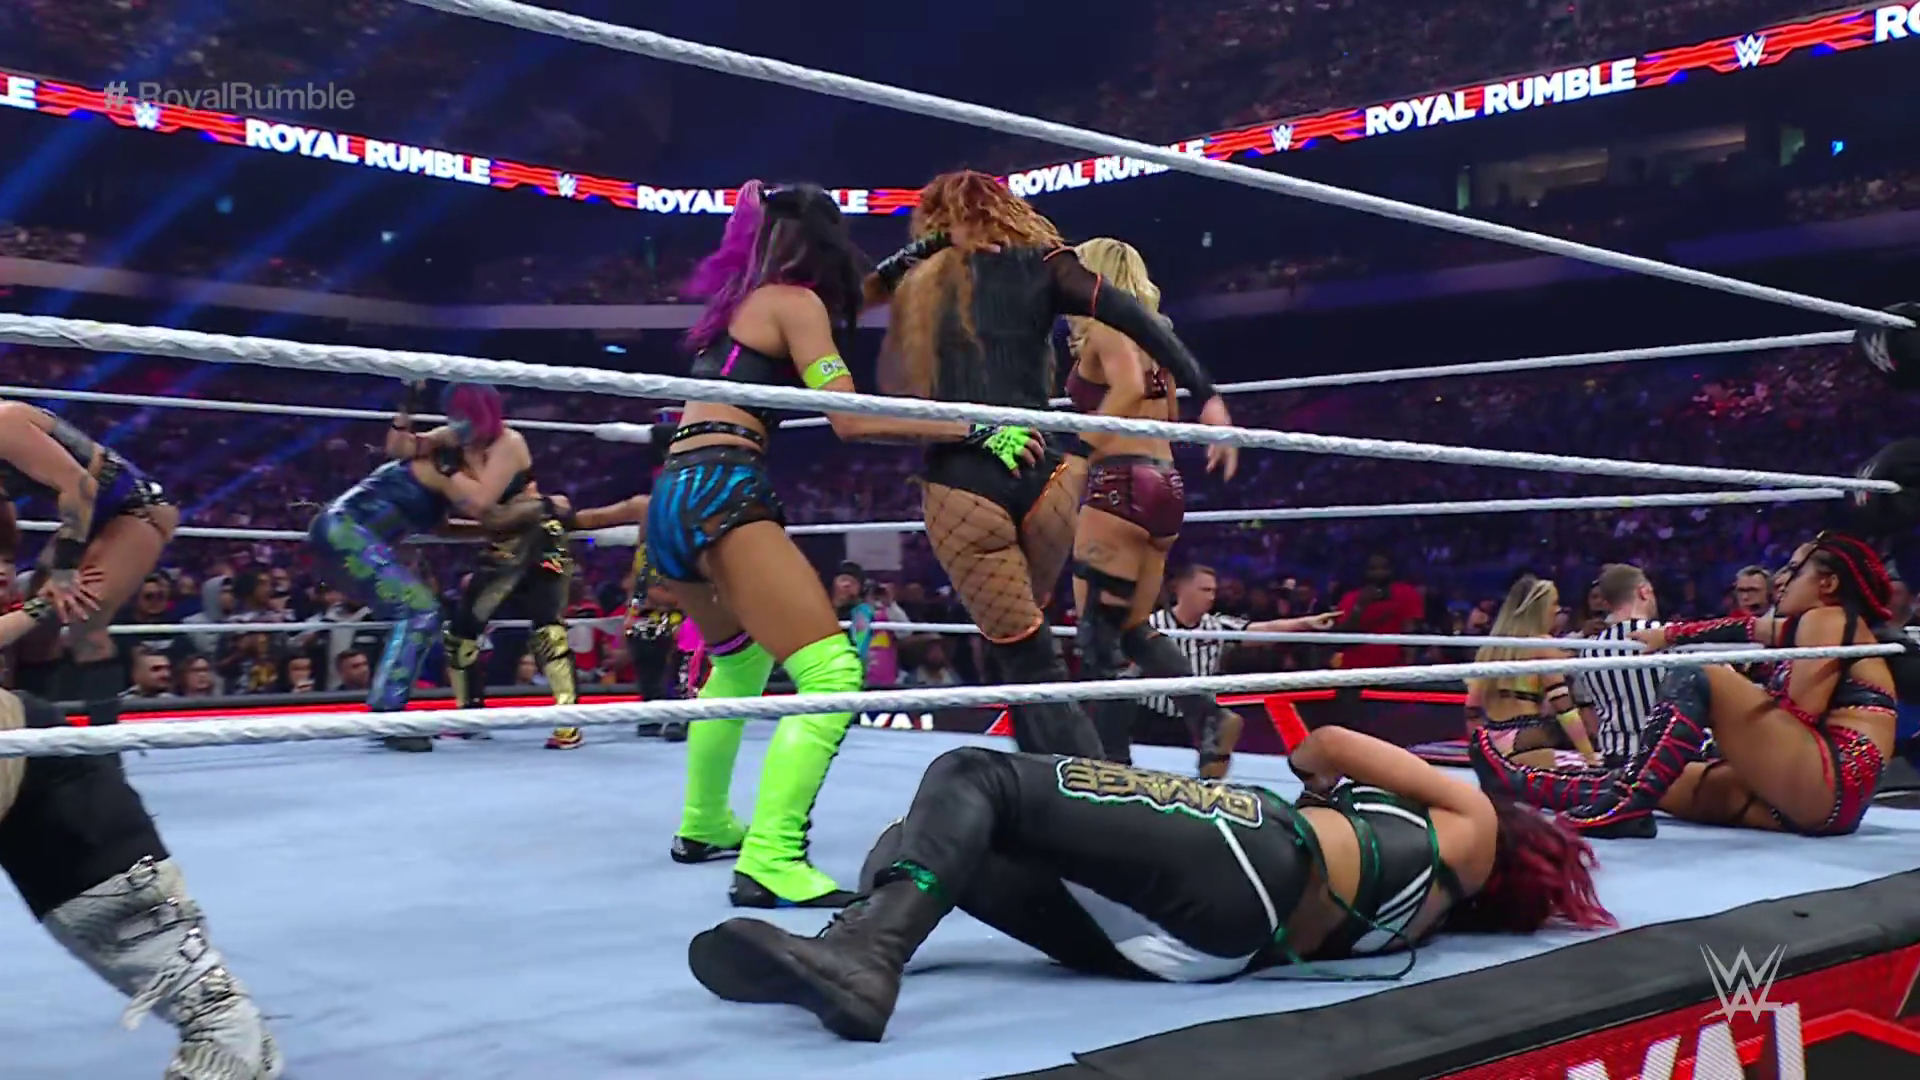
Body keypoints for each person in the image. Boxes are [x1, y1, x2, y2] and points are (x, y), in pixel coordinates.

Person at [688, 726, 1614, 1042]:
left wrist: (1319, 782)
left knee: (974, 775)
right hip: (1205, 952)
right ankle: (861, 943)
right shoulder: (1433, 909)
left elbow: (1324, 745)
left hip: (1257, 854)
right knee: (919, 841)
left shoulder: (1471, 822)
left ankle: (867, 952)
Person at [646, 181, 1029, 907]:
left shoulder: (741, 301)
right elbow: (850, 418)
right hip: (724, 486)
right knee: (830, 671)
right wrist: (971, 426)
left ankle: (704, 822)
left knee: (738, 660)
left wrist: (930, 247)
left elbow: (860, 292)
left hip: (672, 494)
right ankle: (771, 856)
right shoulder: (794, 303)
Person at [875, 172, 1227, 761]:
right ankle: (1195, 721)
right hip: (1109, 479)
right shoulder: (1070, 279)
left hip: (1043, 478)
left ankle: (1101, 775)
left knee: (1065, 646)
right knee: (1109, 628)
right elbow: (1145, 356)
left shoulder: (933, 275)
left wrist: (1084, 445)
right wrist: (1206, 390)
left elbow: (862, 295)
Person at [0, 588, 281, 1078]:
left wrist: (41, 606)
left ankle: (230, 1038)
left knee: (216, 1016)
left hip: (39, 769)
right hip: (38, 768)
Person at [1482, 533, 1906, 839]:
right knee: (1658, 779)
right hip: (1807, 800)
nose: (1781, 578)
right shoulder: (1812, 626)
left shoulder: (1828, 617)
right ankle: (1517, 783)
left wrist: (1730, 724)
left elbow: (1800, 715)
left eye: (1795, 570)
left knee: (1699, 672)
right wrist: (1669, 635)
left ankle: (1626, 810)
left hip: (1827, 779)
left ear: (1827, 584)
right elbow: (1744, 628)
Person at [309, 382, 535, 753]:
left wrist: (494, 530)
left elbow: (446, 526)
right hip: (345, 531)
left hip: (347, 535)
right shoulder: (440, 462)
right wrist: (407, 407)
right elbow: (478, 503)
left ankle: (394, 709)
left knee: (418, 613)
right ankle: (387, 714)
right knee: (420, 610)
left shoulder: (447, 472)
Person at [392, 390, 588, 751]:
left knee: (546, 627)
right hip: (506, 539)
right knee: (463, 631)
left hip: (534, 535)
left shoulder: (509, 442)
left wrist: (447, 471)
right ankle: (471, 714)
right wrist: (406, 410)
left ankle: (568, 724)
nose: (459, 421)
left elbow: (483, 502)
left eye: (466, 414)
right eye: (454, 413)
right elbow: (399, 449)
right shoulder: (452, 437)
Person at [0, 401, 178, 703]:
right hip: (86, 517)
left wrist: (64, 571)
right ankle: (38, 724)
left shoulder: (4, 423)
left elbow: (80, 486)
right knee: (35, 632)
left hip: (134, 508)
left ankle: (101, 731)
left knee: (84, 617)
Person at [1464, 576, 1602, 782]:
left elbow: (1472, 709)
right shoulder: (1542, 645)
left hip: (1491, 738)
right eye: (1554, 603)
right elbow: (1564, 709)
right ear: (1539, 608)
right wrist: (1589, 756)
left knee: (1502, 799)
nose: (1557, 610)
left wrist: (1479, 748)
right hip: (1526, 736)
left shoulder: (1489, 649)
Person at [1575, 564, 1664, 768]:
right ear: (1643, 591)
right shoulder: (1669, 638)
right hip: (1669, 755)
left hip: (1617, 756)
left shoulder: (1589, 650)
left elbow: (1588, 706)